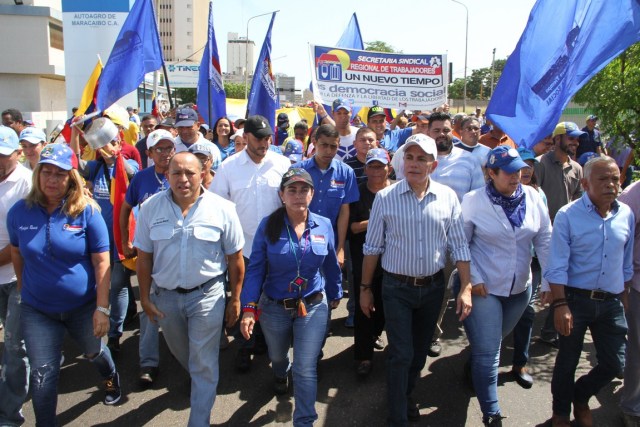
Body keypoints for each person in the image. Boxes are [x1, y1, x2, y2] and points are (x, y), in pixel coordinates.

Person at [360, 134, 473, 426]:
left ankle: (405, 394)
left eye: (421, 158)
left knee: (419, 353)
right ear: (401, 162)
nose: (414, 164)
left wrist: (467, 287)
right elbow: (372, 248)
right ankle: (397, 416)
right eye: (409, 157)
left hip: (433, 288)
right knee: (401, 354)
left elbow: (459, 245)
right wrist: (364, 289)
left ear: (433, 165)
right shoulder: (386, 198)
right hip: (396, 289)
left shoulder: (448, 197)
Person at [8, 143, 121, 425]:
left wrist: (102, 308)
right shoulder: (19, 212)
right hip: (38, 311)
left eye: (60, 174)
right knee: (43, 374)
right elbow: (16, 253)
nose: (52, 180)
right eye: (46, 172)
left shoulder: (87, 212)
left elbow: (102, 263)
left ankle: (110, 377)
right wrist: (23, 288)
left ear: (72, 177)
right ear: (37, 175)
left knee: (95, 352)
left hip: (83, 307)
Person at [135, 151, 244, 427]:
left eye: (189, 173)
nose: (183, 179)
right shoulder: (149, 208)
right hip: (166, 300)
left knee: (204, 362)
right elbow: (144, 257)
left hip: (207, 296)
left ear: (202, 174)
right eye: (176, 173)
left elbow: (235, 258)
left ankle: (199, 419)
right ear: (167, 175)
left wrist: (235, 299)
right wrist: (145, 298)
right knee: (184, 355)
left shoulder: (223, 209)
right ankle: (200, 381)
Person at [240, 168, 342, 426]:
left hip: (313, 304)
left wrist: (335, 293)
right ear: (282, 195)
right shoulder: (268, 225)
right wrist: (249, 306)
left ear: (312, 194)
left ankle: (304, 420)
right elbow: (255, 269)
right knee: (277, 357)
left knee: (305, 368)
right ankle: (279, 372)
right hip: (274, 306)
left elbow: (330, 263)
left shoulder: (324, 224)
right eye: (292, 190)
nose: (298, 195)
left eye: (304, 190)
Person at [460, 146, 551, 426]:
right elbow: (460, 244)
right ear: (491, 173)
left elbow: (545, 238)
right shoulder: (473, 200)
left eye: (520, 170)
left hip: (520, 289)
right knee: (490, 353)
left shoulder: (534, 197)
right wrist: (474, 278)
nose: (517, 176)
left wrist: (548, 279)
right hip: (484, 287)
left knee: (491, 341)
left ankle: (474, 367)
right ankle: (492, 413)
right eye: (509, 171)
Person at [544, 156, 633, 427]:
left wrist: (624, 297)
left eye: (615, 179)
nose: (611, 185)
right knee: (567, 361)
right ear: (584, 184)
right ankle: (560, 413)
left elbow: (625, 260)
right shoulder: (568, 215)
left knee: (615, 364)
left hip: (611, 303)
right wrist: (560, 305)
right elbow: (557, 263)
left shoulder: (626, 214)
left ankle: (580, 397)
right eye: (603, 179)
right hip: (575, 300)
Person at [211, 115, 291, 372]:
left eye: (268, 138)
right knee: (244, 297)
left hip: (275, 246)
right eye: (258, 138)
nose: (264, 143)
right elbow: (217, 207)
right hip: (241, 248)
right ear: (245, 138)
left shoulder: (282, 163)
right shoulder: (229, 167)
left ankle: (266, 342)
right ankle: (244, 347)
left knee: (271, 296)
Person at [70, 117, 139, 354]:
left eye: (111, 143)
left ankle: (115, 333)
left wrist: (117, 155)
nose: (107, 148)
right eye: (103, 144)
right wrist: (75, 134)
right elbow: (75, 165)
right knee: (102, 285)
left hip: (121, 238)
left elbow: (130, 171)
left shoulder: (129, 167)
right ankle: (98, 322)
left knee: (118, 285)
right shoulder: (96, 167)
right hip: (99, 239)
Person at [120, 129, 177, 385]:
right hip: (149, 254)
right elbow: (125, 210)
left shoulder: (183, 174)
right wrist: (125, 240)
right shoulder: (141, 179)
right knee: (149, 308)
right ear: (149, 153)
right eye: (159, 149)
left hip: (178, 254)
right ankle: (148, 362)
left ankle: (184, 357)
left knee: (181, 309)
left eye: (169, 148)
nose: (165, 154)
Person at [510, 147, 554, 387]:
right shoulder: (496, 194)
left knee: (527, 312)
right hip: (508, 264)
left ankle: (520, 363)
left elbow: (544, 233)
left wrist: (549, 276)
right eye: (519, 166)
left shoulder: (539, 194)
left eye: (528, 165)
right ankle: (481, 359)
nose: (524, 170)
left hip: (533, 264)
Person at [349, 148, 391, 377]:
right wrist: (376, 219)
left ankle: (375, 334)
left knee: (385, 307)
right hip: (363, 258)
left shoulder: (397, 190)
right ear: (365, 169)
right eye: (372, 166)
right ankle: (363, 356)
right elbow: (352, 228)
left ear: (389, 167)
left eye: (380, 166)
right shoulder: (357, 193)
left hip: (393, 259)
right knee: (364, 307)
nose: (376, 171)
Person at [0, 126, 32, 426]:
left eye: (2, 154)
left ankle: (9, 414)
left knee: (13, 346)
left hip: (19, 278)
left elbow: (25, 239)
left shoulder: (27, 184)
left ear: (16, 153)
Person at [535, 122, 585, 222]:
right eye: (571, 138)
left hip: (569, 224)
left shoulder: (577, 168)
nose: (576, 143)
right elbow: (534, 198)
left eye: (577, 139)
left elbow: (578, 199)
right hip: (546, 226)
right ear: (557, 139)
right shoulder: (539, 163)